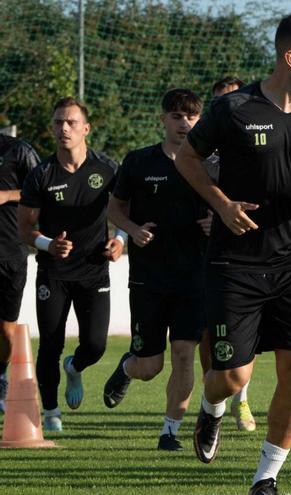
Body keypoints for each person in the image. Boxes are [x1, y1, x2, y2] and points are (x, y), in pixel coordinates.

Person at [174, 14, 291, 495]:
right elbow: (187, 158)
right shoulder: (233, 109)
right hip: (237, 263)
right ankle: (211, 412)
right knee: (231, 376)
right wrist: (222, 203)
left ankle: (266, 476)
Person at [101, 89, 208, 451]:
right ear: (162, 119)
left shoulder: (211, 163)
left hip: (194, 275)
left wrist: (216, 223)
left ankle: (169, 432)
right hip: (148, 277)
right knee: (150, 366)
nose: (185, 123)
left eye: (192, 116)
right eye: (177, 116)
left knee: (183, 354)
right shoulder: (138, 162)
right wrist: (132, 231)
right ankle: (127, 368)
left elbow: (228, 208)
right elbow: (113, 210)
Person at [17, 97, 124, 432]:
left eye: (71, 122)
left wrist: (120, 239)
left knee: (96, 345)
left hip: (94, 271)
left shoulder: (107, 168)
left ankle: (75, 367)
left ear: (86, 128)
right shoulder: (41, 175)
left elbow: (125, 211)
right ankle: (51, 413)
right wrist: (51, 244)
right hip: (54, 272)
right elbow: (25, 229)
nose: (64, 128)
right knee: (50, 342)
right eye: (58, 123)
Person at [203, 75, 260, 433]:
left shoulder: (257, 150)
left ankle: (241, 402)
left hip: (251, 258)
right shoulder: (200, 159)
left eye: (232, 100)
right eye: (218, 103)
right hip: (204, 258)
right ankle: (212, 403)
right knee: (208, 338)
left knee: (246, 343)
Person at [0, 132, 40, 413]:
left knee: (5, 328)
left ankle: (1, 376)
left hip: (9, 252)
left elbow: (41, 189)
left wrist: (7, 195)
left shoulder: (18, 150)